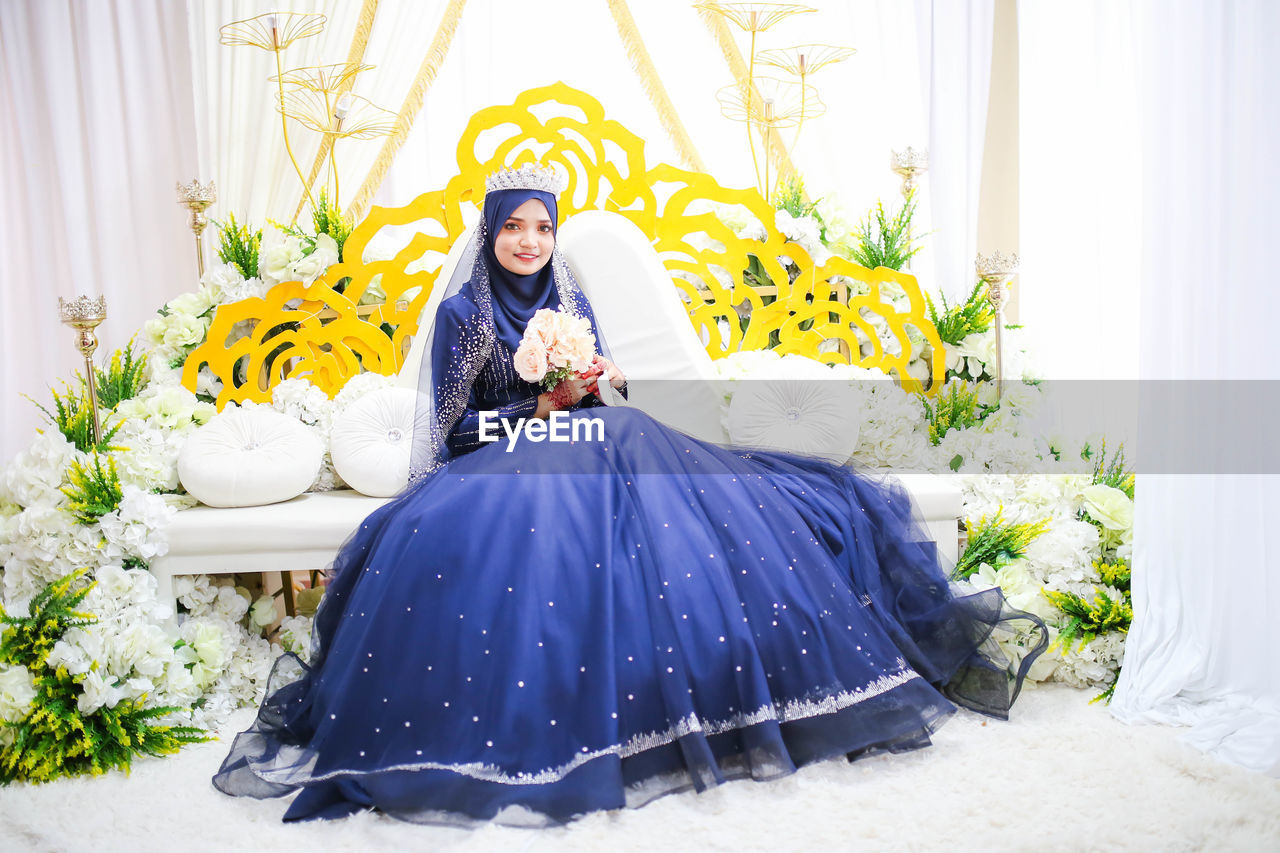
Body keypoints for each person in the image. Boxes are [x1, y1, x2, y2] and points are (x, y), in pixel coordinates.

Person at [213, 164, 1046, 826]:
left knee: (637, 441)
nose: (531, 241)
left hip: (592, 440)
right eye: (514, 226)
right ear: (491, 233)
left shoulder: (570, 296)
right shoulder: (465, 313)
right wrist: (533, 408)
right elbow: (455, 430)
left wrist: (599, 379)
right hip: (500, 460)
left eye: (543, 225)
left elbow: (601, 393)